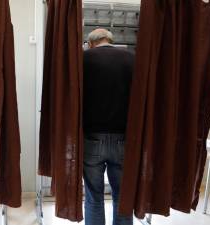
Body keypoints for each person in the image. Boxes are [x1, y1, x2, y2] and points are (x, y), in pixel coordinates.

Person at [83, 28, 135, 225]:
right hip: (124, 139)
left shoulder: (84, 59)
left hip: (92, 139)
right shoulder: (131, 59)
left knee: (94, 197)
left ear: (90, 43)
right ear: (111, 40)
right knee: (122, 198)